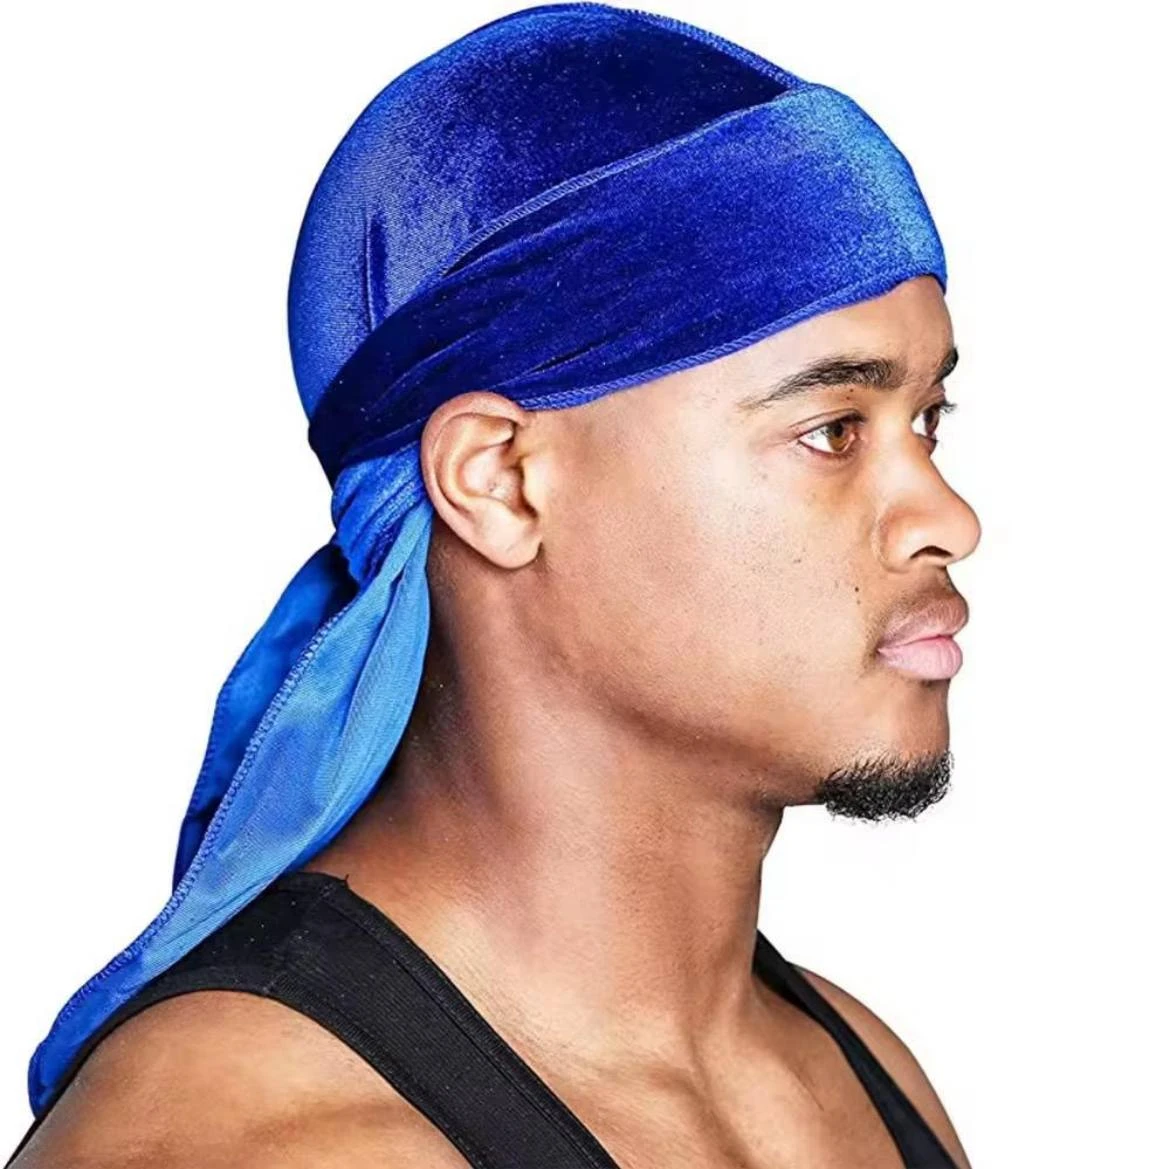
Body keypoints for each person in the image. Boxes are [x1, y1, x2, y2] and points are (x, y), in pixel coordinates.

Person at [7, 3, 979, 1166]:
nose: (950, 518)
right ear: (501, 482)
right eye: (831, 430)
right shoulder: (263, 1144)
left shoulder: (864, 1074)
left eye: (928, 420)